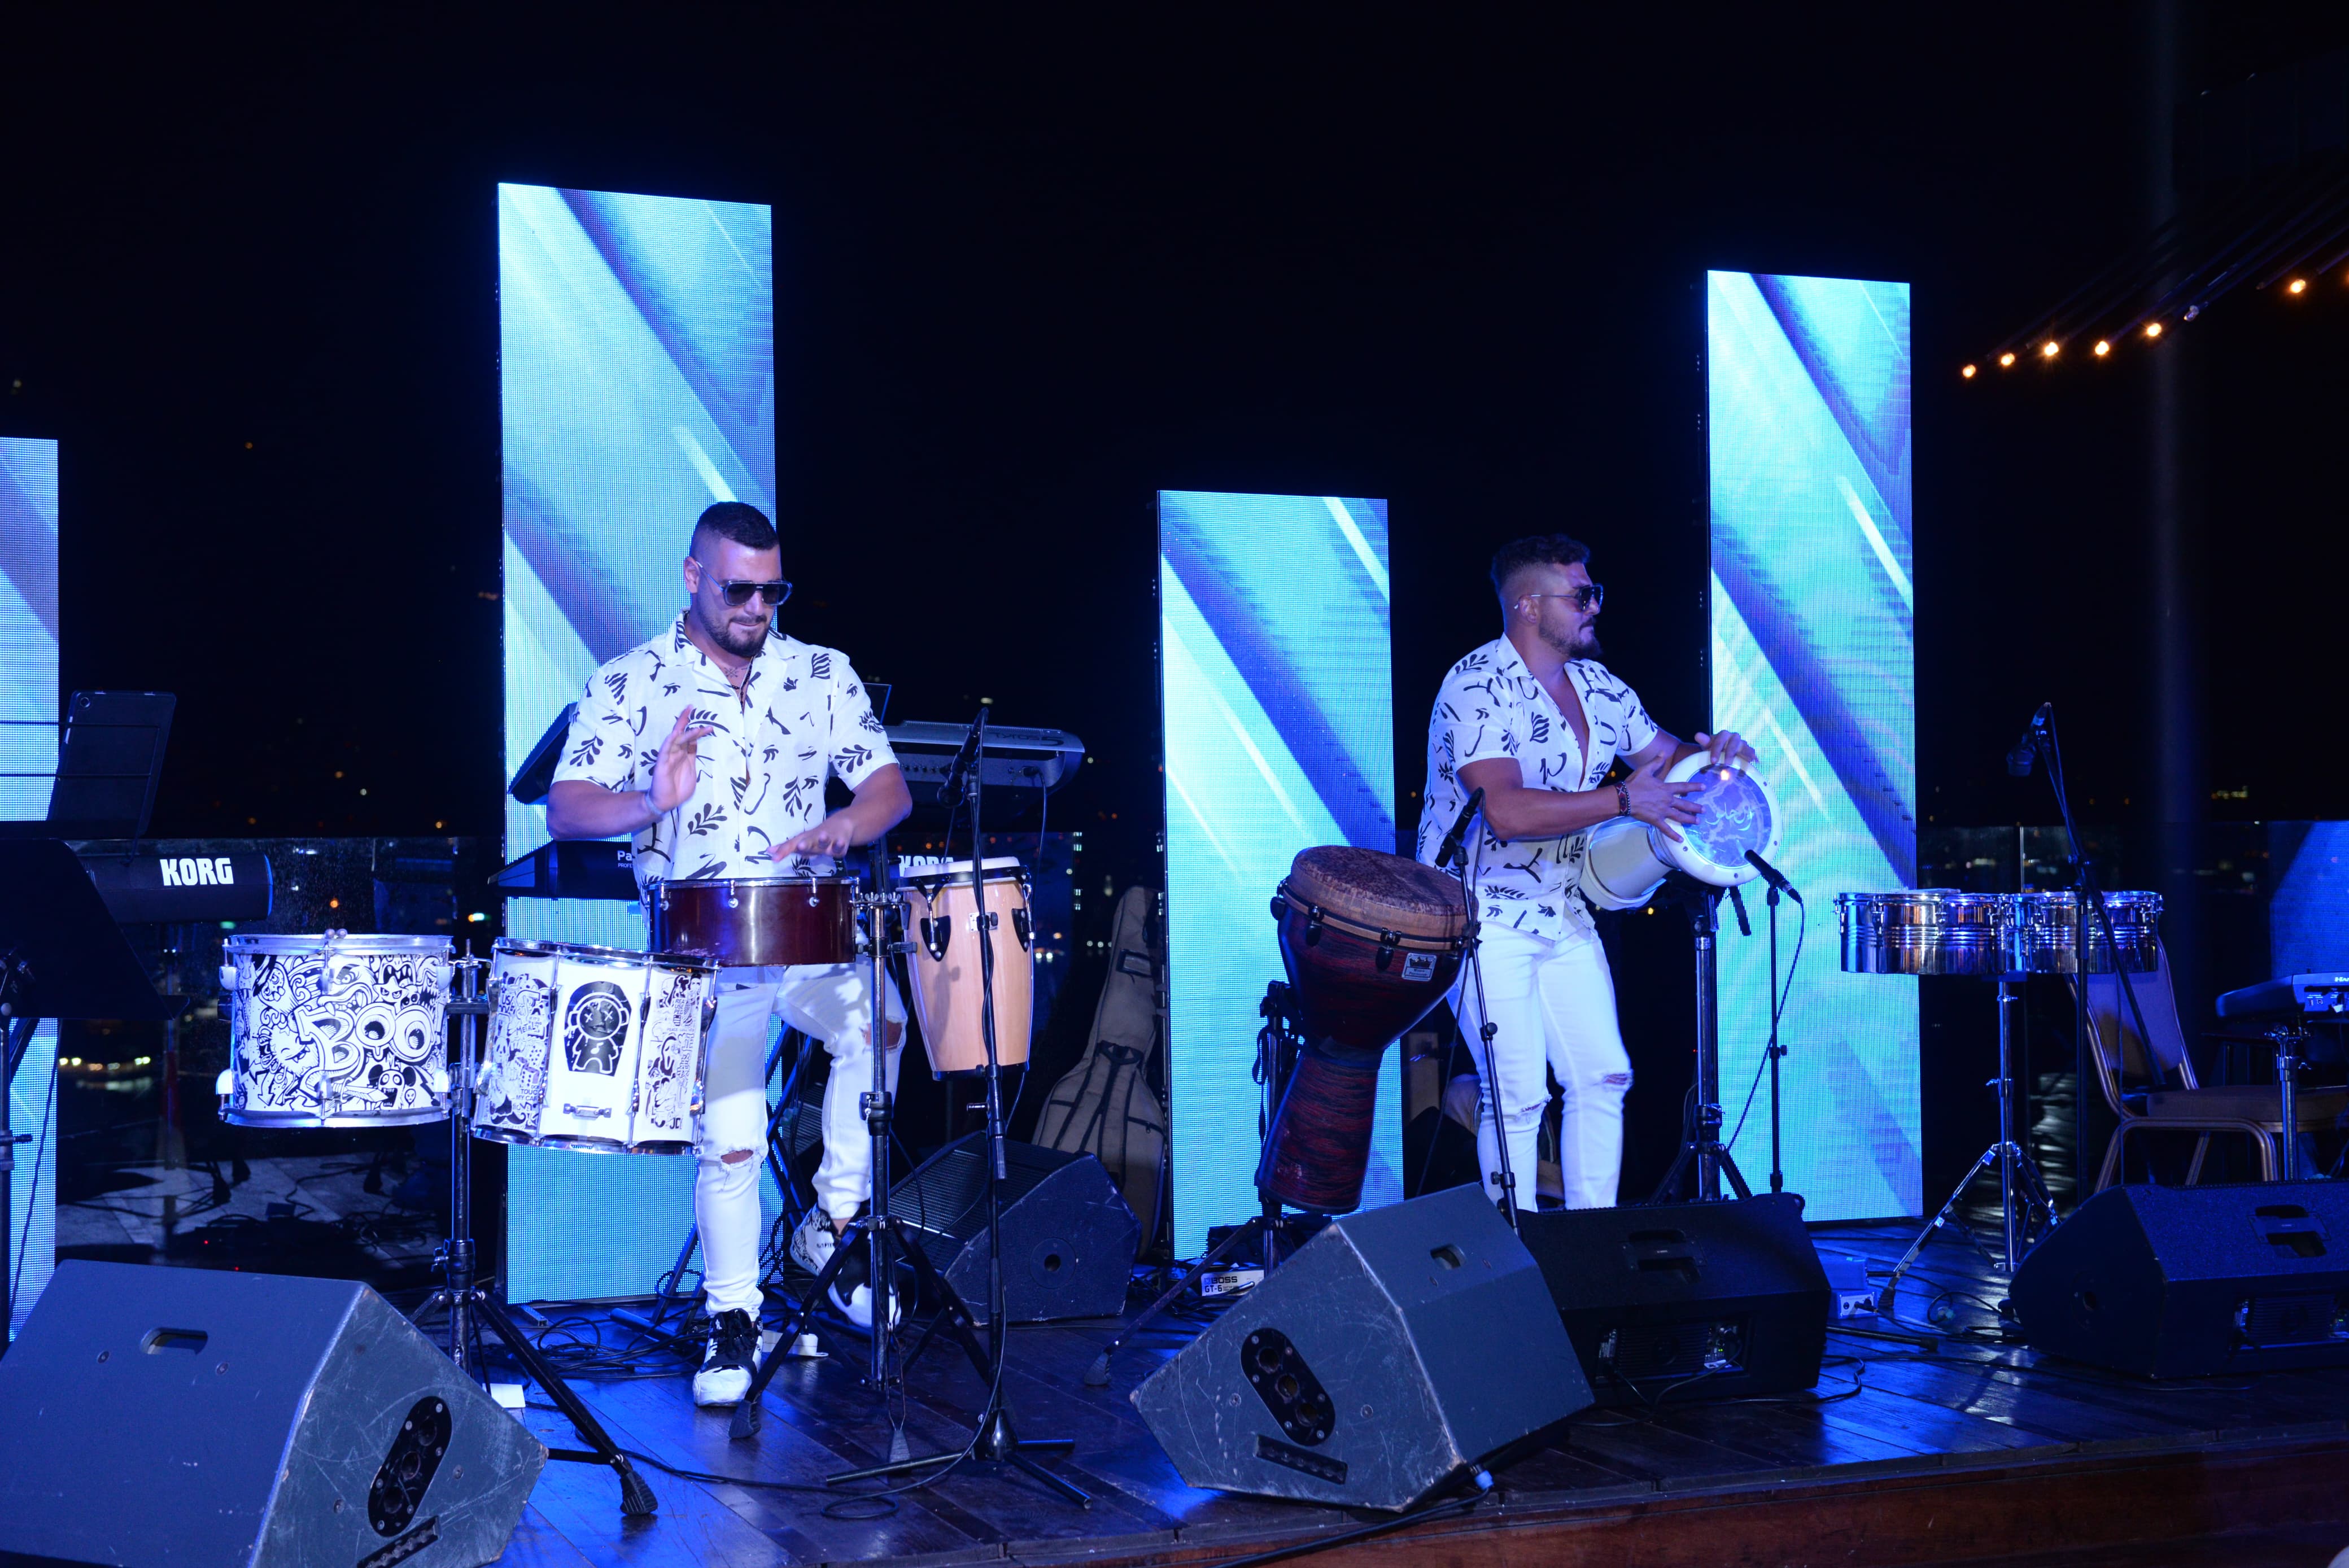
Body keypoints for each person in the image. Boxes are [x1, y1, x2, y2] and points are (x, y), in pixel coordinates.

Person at [547, 500, 913, 1406]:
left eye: (772, 590)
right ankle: (731, 1317)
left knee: (886, 1024)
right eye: (739, 589)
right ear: (693, 575)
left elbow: (889, 788)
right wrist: (650, 802)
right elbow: (567, 807)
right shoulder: (631, 682)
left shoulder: (822, 673)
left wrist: (844, 824)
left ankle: (835, 1222)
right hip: (707, 952)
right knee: (735, 1137)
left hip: (808, 934)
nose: (758, 606)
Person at [1417, 533, 1754, 1212]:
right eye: (1580, 595)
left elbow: (1664, 761)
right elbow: (1505, 811)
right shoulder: (1477, 683)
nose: (1595, 605)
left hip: (1560, 908)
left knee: (1603, 1076)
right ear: (1528, 606)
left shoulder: (1599, 686)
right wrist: (1629, 798)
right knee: (1516, 1093)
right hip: (1477, 911)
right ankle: (1510, 1263)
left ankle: (1588, 1246)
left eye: (1592, 591)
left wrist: (1713, 754)